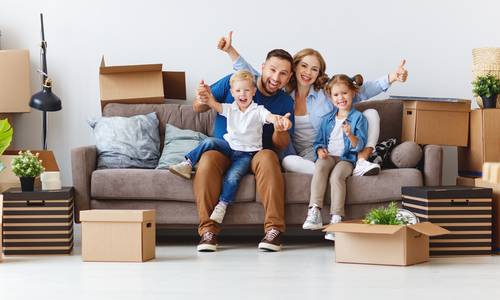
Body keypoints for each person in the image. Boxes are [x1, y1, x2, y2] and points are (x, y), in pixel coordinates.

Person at [217, 31, 408, 176]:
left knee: (371, 113)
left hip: (332, 148)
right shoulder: (282, 92)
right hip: (304, 157)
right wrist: (230, 51)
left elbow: (360, 91)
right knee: (288, 162)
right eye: (304, 66)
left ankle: (362, 161)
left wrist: (391, 77)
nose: (308, 72)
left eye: (314, 69)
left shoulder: (325, 93)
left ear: (319, 74)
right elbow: (252, 74)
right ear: (294, 68)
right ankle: (335, 173)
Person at [192, 49, 295, 252]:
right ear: (263, 68)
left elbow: (281, 144)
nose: (276, 78)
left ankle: (274, 230)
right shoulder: (236, 82)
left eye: (283, 73)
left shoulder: (284, 102)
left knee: (268, 157)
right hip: (225, 150)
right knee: (207, 159)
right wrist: (203, 98)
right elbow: (198, 107)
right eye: (272, 70)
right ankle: (208, 231)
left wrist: (279, 128)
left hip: (256, 153)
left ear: (289, 77)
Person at [169, 70, 291, 225]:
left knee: (233, 177)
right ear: (232, 92)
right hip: (229, 148)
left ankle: (223, 204)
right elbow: (212, 103)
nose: (243, 94)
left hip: (247, 154)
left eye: (247, 90)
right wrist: (205, 94)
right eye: (238, 90)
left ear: (253, 92)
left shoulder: (258, 110)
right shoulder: (230, 108)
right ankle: (188, 163)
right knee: (209, 142)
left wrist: (279, 120)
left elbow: (270, 117)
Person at [303, 74, 368, 240]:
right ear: (330, 97)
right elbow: (318, 141)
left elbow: (360, 146)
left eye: (344, 93)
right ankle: (314, 211)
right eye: (336, 95)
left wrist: (351, 135)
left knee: (337, 177)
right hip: (330, 156)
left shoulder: (358, 118)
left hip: (347, 159)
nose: (341, 98)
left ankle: (336, 219)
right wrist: (319, 150)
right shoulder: (328, 120)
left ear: (353, 93)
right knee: (320, 167)